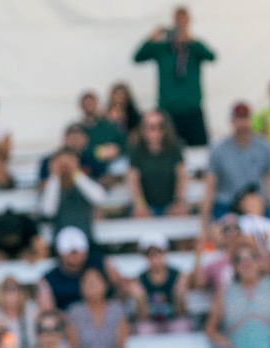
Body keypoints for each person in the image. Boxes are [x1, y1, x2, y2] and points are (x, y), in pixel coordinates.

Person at [133, 6, 216, 147]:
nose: (180, 24)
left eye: (184, 20)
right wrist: (152, 37)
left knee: (200, 148)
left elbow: (211, 57)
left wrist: (191, 40)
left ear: (189, 22)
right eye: (178, 20)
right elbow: (138, 57)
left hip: (192, 108)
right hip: (168, 110)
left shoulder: (194, 47)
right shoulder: (162, 48)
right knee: (168, 148)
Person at [202, 102, 270, 220]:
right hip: (227, 204)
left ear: (251, 120)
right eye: (238, 119)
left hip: (255, 205)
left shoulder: (264, 147)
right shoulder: (219, 149)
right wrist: (204, 222)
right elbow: (210, 186)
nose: (242, 123)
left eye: (245, 118)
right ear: (232, 121)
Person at [126, 110, 190, 218]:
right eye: (149, 127)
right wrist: (140, 205)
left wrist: (178, 202)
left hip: (171, 203)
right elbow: (133, 178)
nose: (155, 131)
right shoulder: (136, 150)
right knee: (139, 216)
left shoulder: (175, 147)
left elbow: (182, 174)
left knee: (182, 214)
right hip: (147, 204)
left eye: (158, 127)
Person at [131, 233, 195, 336]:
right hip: (151, 323)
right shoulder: (139, 280)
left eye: (158, 252)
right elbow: (143, 317)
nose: (154, 257)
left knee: (181, 327)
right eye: (150, 254)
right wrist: (140, 301)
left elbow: (180, 312)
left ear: (165, 253)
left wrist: (180, 297)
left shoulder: (179, 276)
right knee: (144, 329)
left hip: (173, 320)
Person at [37, 226, 113, 311]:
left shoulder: (101, 263)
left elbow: (123, 288)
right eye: (70, 252)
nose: (74, 256)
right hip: (66, 321)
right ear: (59, 253)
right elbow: (47, 312)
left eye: (78, 251)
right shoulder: (49, 279)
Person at [67, 268, 129, 348]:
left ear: (105, 285)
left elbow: (121, 347)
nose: (91, 285)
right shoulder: (75, 312)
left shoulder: (116, 309)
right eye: (87, 282)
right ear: (81, 287)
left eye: (95, 281)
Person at [41, 148, 106, 240]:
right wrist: (55, 176)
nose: (64, 167)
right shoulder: (50, 187)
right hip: (61, 241)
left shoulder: (84, 184)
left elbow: (99, 198)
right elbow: (48, 211)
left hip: (86, 239)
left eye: (69, 162)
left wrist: (76, 173)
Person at [77, 91, 125, 164]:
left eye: (91, 103)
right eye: (86, 104)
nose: (89, 106)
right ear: (81, 106)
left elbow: (123, 144)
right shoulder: (77, 129)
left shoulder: (110, 126)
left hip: (111, 164)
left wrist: (117, 150)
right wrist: (98, 152)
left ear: (97, 104)